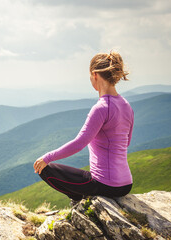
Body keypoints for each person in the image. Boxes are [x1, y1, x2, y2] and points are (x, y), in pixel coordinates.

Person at [33, 50, 134, 207]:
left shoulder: (102, 108)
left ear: (94, 75)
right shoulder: (126, 105)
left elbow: (79, 143)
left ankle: (79, 198)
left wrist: (47, 158)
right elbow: (126, 142)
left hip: (105, 184)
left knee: (45, 169)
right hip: (126, 184)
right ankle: (82, 197)